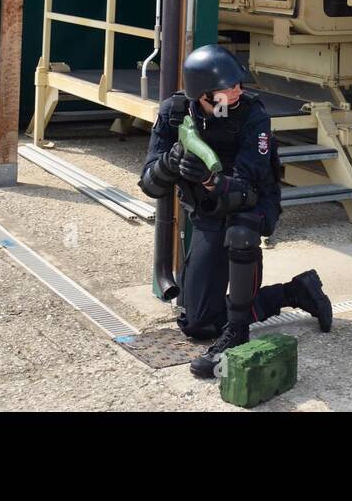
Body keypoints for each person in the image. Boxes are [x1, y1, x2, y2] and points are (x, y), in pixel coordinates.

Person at [139, 44, 333, 378]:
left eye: (238, 85)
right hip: (206, 211)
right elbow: (149, 185)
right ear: (202, 95)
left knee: (241, 235)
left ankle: (238, 331)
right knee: (198, 324)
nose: (237, 92)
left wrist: (211, 179)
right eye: (227, 90)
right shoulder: (174, 113)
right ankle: (295, 292)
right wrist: (170, 163)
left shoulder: (253, 114)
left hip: (253, 199)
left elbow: (248, 184)